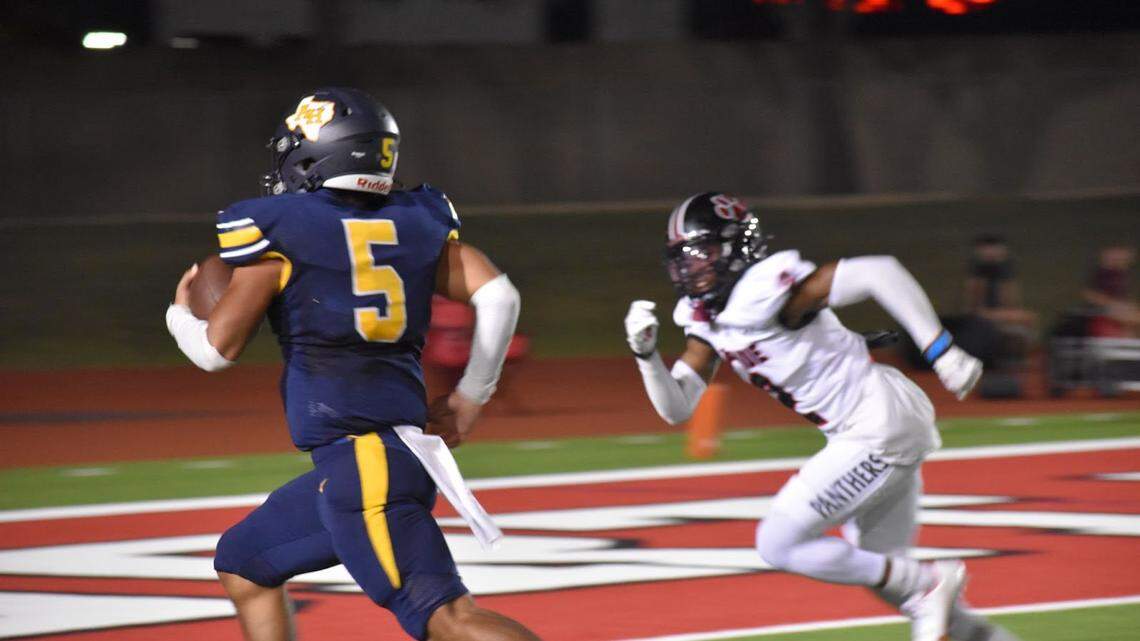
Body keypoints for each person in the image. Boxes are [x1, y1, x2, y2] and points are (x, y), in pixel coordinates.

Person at [166, 88, 541, 641]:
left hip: (364, 464)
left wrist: (179, 313)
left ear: (314, 157)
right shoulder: (414, 222)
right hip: (377, 461)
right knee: (244, 561)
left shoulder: (280, 235)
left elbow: (213, 352)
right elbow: (499, 297)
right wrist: (469, 399)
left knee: (449, 619)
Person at [623, 193, 1019, 641]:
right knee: (883, 573)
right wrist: (646, 356)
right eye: (684, 258)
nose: (690, 268)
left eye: (702, 253)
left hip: (875, 423)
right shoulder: (706, 317)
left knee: (780, 542)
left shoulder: (765, 289)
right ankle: (980, 633)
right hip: (866, 427)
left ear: (735, 248)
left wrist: (940, 348)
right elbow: (677, 408)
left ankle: (929, 583)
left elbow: (878, 270)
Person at [1083, 244, 1139, 338]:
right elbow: (1090, 294)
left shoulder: (1120, 275)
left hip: (1117, 310)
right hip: (1106, 310)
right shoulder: (1102, 274)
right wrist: (1112, 304)